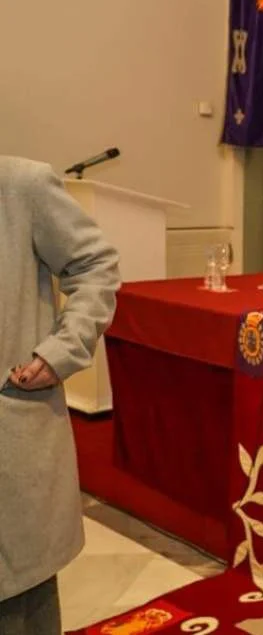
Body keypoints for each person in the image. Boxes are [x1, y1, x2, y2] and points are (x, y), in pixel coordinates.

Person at [0, 155, 120, 635]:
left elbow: (96, 265)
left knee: (18, 611)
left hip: (9, 456)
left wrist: (61, 351)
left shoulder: (20, 185)